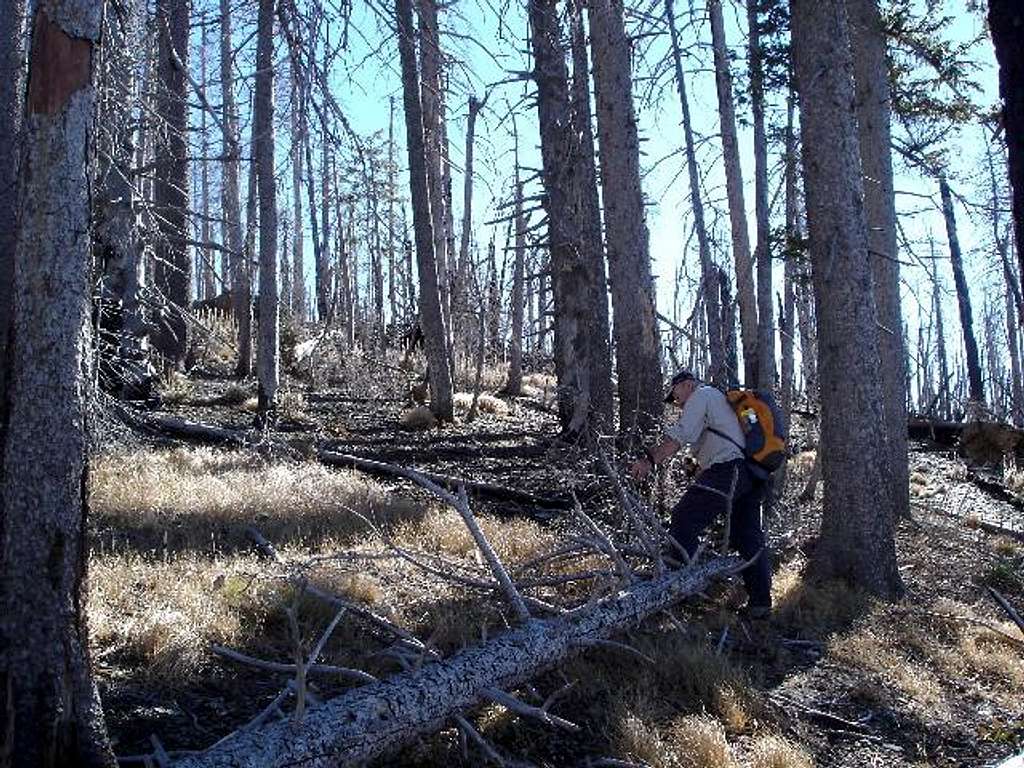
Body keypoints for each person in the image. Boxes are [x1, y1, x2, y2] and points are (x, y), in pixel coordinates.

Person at [630, 370, 772, 619]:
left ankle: (683, 593)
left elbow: (680, 436)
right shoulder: (717, 401)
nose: (676, 403)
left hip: (729, 469)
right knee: (747, 535)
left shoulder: (701, 395)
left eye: (675, 396)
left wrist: (648, 460)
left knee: (684, 519)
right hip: (749, 473)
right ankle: (761, 603)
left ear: (686, 385)